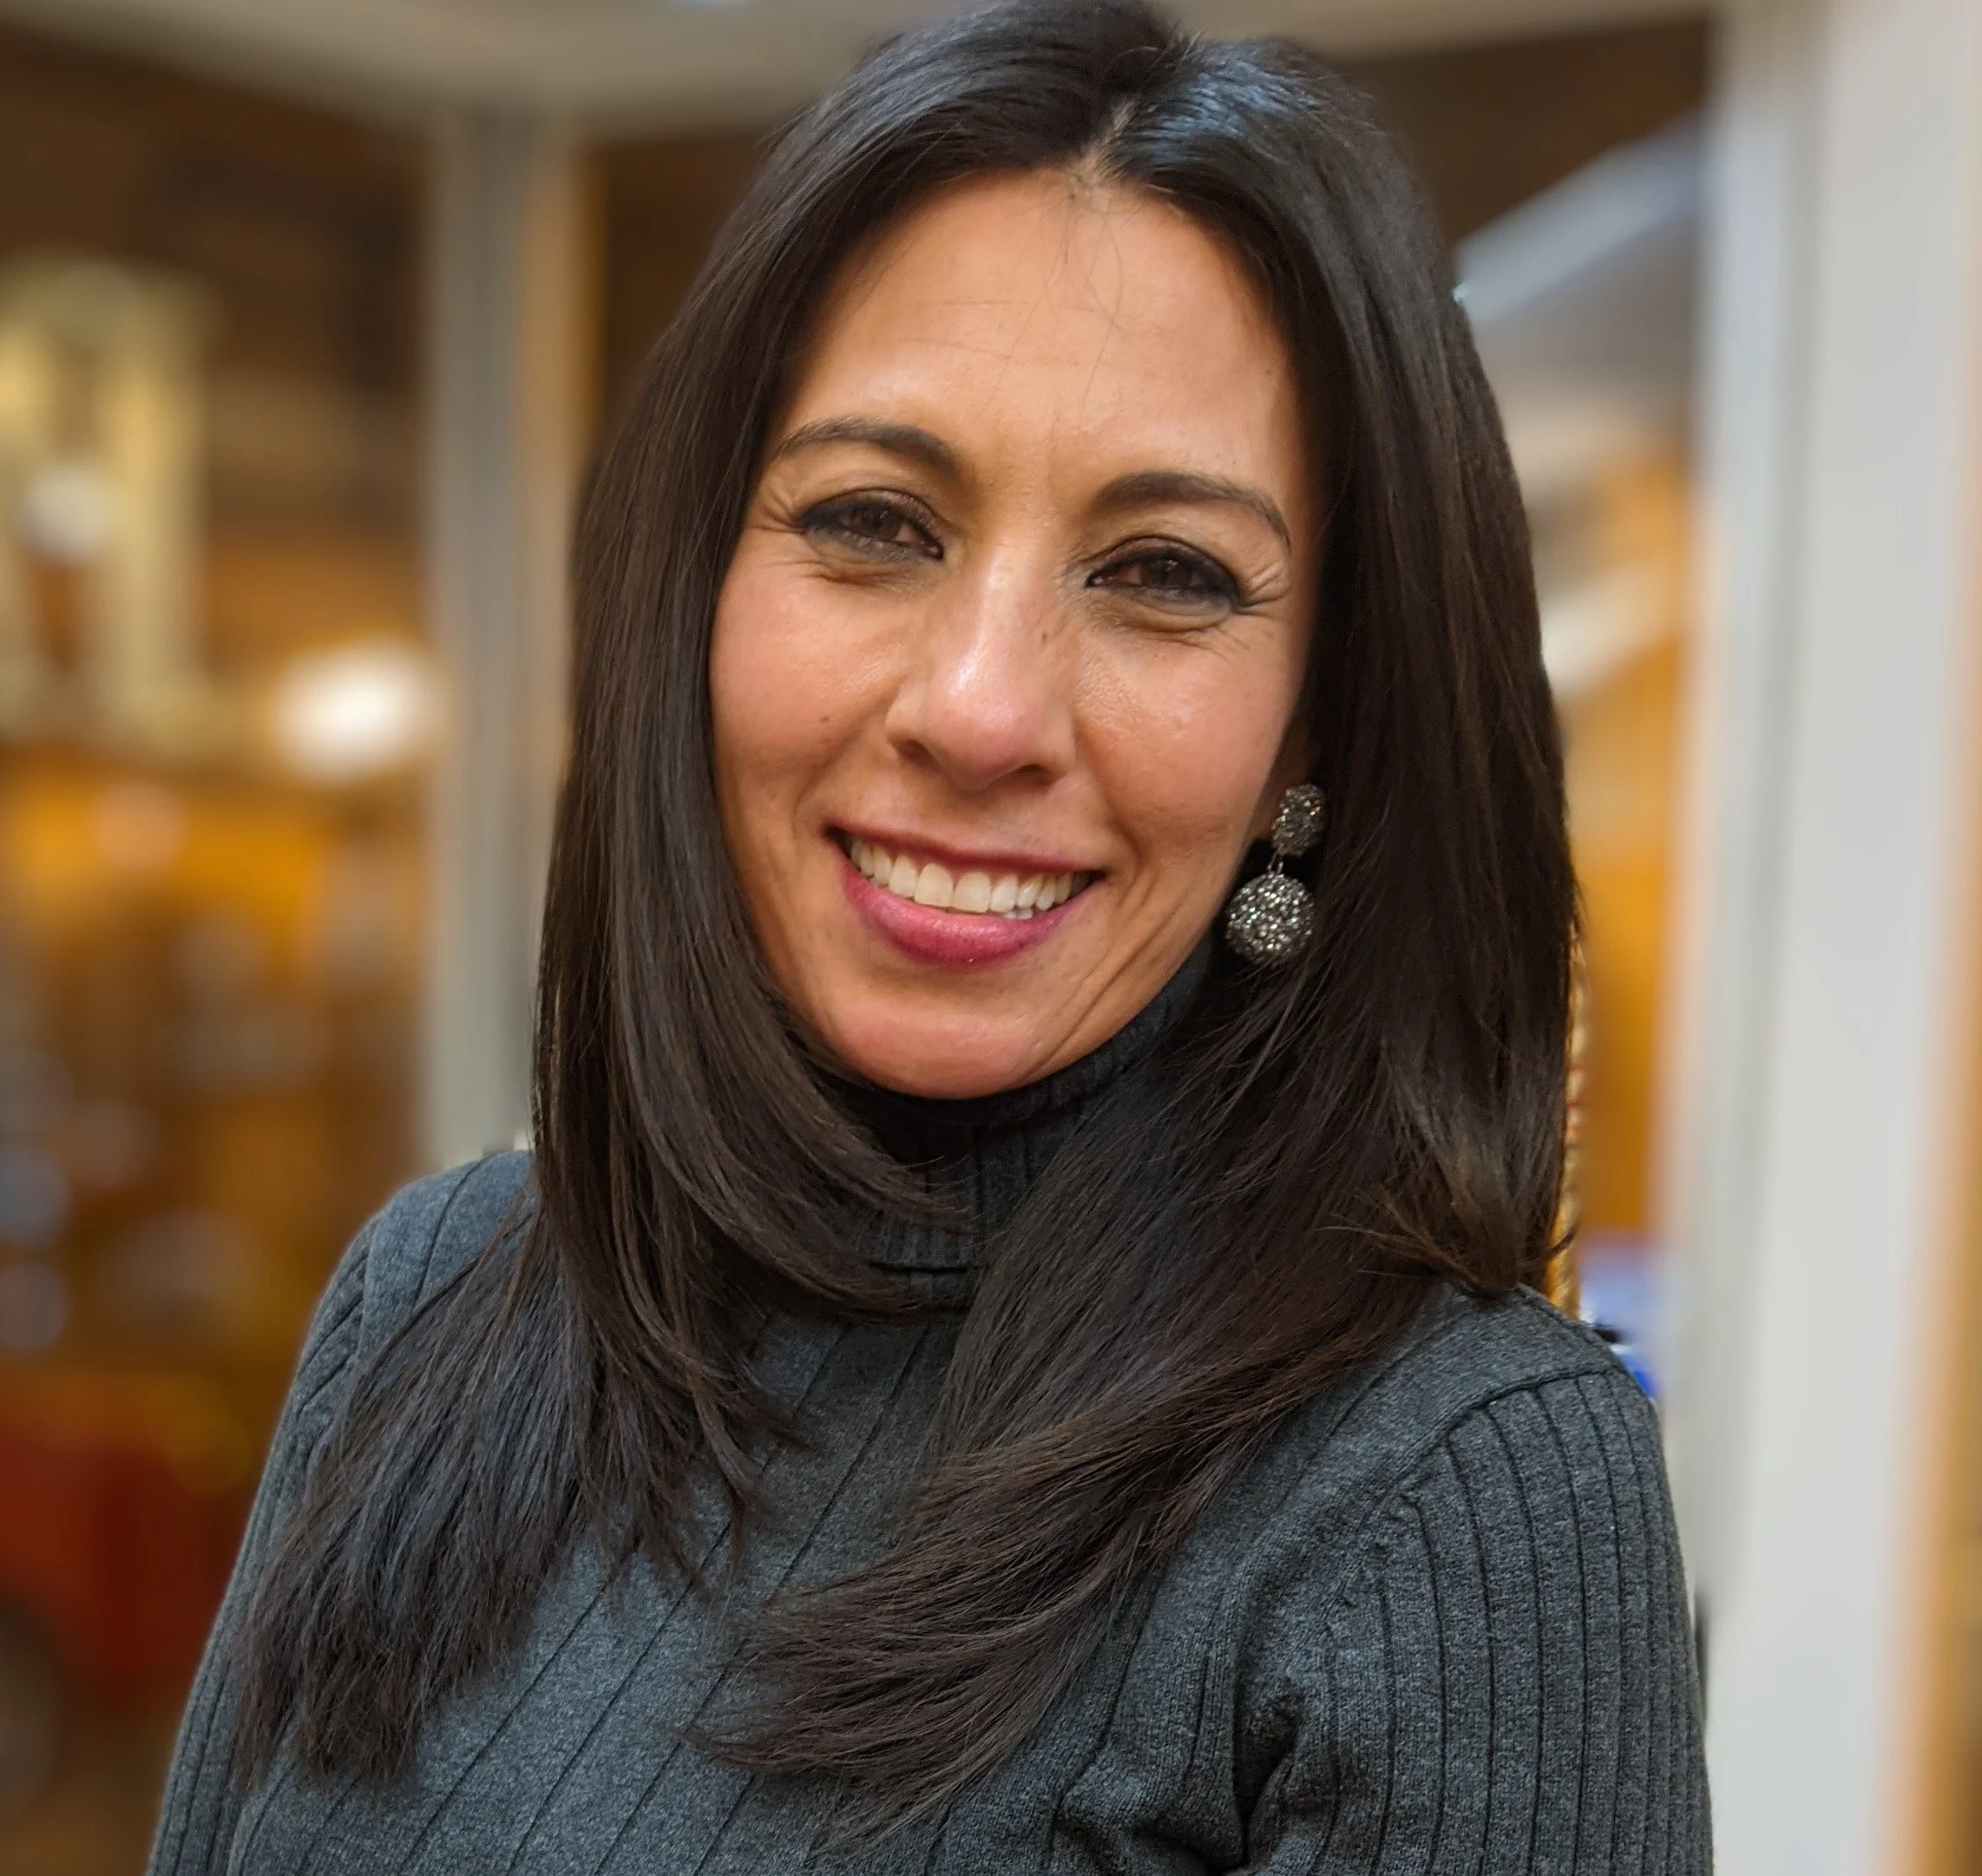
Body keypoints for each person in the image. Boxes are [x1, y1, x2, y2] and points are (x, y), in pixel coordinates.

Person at [147, 3, 1710, 1870]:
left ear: (1318, 727)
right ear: (697, 603)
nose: (980, 710)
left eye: (1162, 576)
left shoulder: (1452, 1492)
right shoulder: (437, 1296)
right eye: (873, 521)